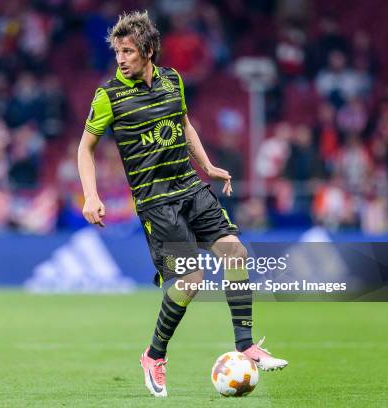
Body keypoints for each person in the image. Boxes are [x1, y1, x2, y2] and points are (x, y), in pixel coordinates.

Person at [77, 11, 287, 398]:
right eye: (117, 52)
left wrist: (206, 165)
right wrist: (91, 194)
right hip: (157, 202)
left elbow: (184, 123)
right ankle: (154, 355)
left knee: (235, 252)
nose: (121, 59)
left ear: (149, 50)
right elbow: (85, 148)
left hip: (191, 188)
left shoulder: (173, 80)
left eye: (128, 51)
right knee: (191, 281)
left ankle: (246, 347)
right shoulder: (108, 96)